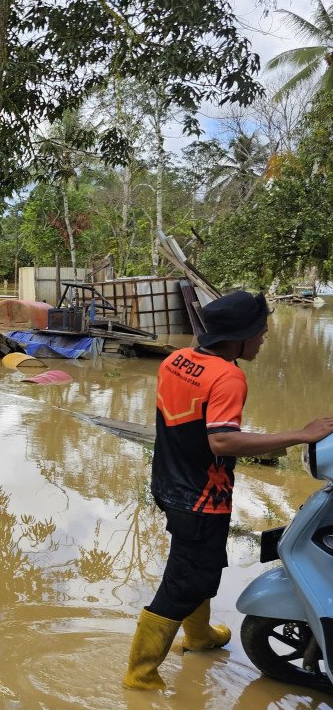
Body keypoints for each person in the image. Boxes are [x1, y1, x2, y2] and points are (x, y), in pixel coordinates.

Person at [124, 290, 333, 690]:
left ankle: (199, 637)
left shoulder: (176, 360)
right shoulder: (229, 376)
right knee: (183, 581)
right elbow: (221, 441)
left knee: (201, 564)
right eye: (261, 333)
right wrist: (300, 434)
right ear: (238, 337)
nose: (263, 339)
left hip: (169, 483)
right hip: (201, 497)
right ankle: (141, 675)